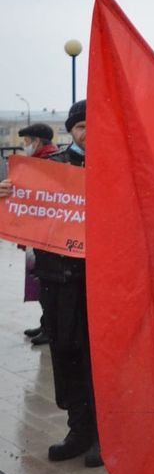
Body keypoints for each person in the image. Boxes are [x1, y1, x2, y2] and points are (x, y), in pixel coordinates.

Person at [1, 101, 102, 468]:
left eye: (93, 124)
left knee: (98, 358)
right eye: (80, 126)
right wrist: (8, 195)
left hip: (100, 280)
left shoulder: (114, 168)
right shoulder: (49, 168)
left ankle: (103, 435)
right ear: (70, 130)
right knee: (65, 352)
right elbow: (27, 212)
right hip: (57, 279)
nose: (87, 132)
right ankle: (78, 429)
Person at [17, 122, 59, 345]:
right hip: (39, 233)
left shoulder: (49, 162)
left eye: (27, 142)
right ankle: (46, 324)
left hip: (46, 236)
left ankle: (51, 329)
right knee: (41, 283)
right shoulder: (38, 161)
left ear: (37, 142)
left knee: (47, 285)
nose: (25, 146)